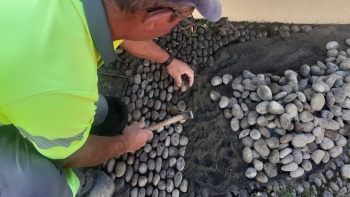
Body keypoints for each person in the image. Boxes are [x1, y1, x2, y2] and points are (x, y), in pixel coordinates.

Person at [0, 0, 222, 196]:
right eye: (185, 18)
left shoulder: (100, 8)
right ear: (159, 17)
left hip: (22, 81)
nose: (184, 21)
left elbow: (125, 30)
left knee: (101, 112)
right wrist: (126, 143)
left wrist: (169, 60)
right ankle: (70, 188)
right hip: (33, 86)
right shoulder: (62, 82)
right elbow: (70, 156)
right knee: (36, 186)